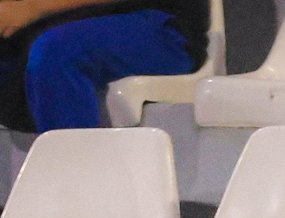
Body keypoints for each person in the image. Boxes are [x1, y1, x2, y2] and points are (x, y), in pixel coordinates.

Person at [0, 0, 209, 131]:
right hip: (45, 29)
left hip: (157, 23)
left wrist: (31, 6)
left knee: (56, 53)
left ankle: (83, 190)